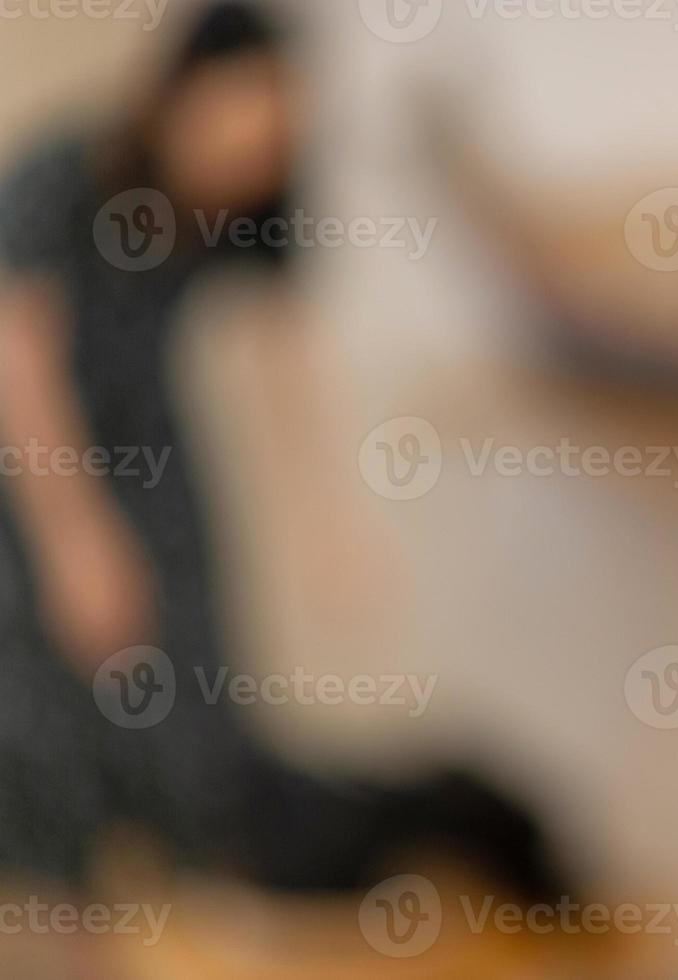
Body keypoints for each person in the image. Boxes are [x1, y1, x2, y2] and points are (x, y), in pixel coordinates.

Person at [0, 1, 568, 897]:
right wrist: (77, 537)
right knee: (49, 711)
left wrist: (327, 522)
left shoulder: (250, 203)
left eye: (273, 139)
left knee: (194, 714)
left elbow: (284, 362)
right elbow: (19, 359)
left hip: (154, 451)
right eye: (239, 124)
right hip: (39, 458)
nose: (249, 158)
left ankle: (185, 888)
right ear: (180, 97)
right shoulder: (64, 173)